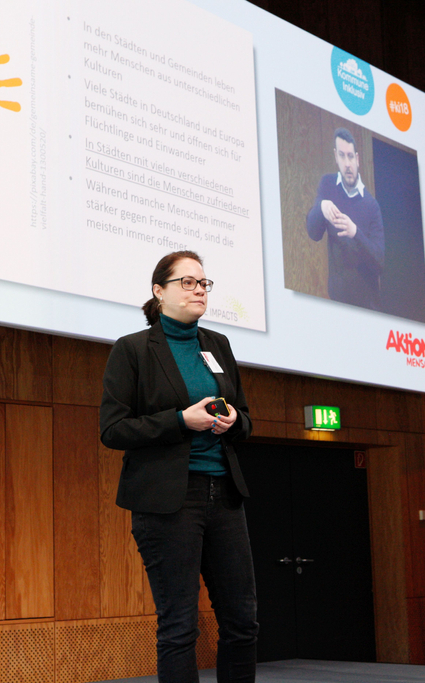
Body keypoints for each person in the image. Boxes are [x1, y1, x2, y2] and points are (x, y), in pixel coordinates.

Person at [100, 250, 257, 683]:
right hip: (169, 501)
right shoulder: (133, 350)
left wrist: (233, 422)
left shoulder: (218, 345)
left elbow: (244, 416)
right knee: (179, 627)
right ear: (159, 291)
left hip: (224, 495)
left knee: (243, 622)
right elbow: (113, 429)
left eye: (203, 283)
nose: (199, 291)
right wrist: (179, 421)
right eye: (187, 282)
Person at [305, 127, 385, 309]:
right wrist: (321, 207)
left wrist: (355, 232)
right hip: (338, 307)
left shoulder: (371, 205)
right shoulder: (328, 185)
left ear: (357, 159)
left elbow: (379, 263)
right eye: (342, 156)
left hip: (368, 309)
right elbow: (313, 233)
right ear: (336, 157)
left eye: (350, 156)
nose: (347, 163)